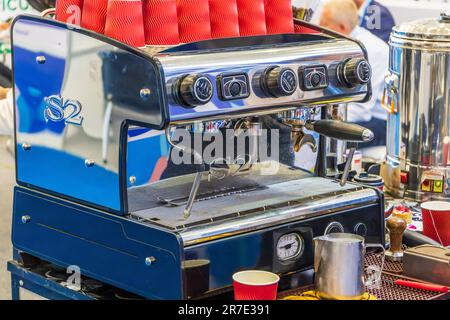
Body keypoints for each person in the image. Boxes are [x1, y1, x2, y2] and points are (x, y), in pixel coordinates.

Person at [320, 0, 389, 147]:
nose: (320, 30)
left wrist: (322, 118)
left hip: (378, 123)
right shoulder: (346, 43)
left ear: (342, 27)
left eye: (324, 25)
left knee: (324, 140)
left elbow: (361, 111)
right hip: (353, 113)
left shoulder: (371, 51)